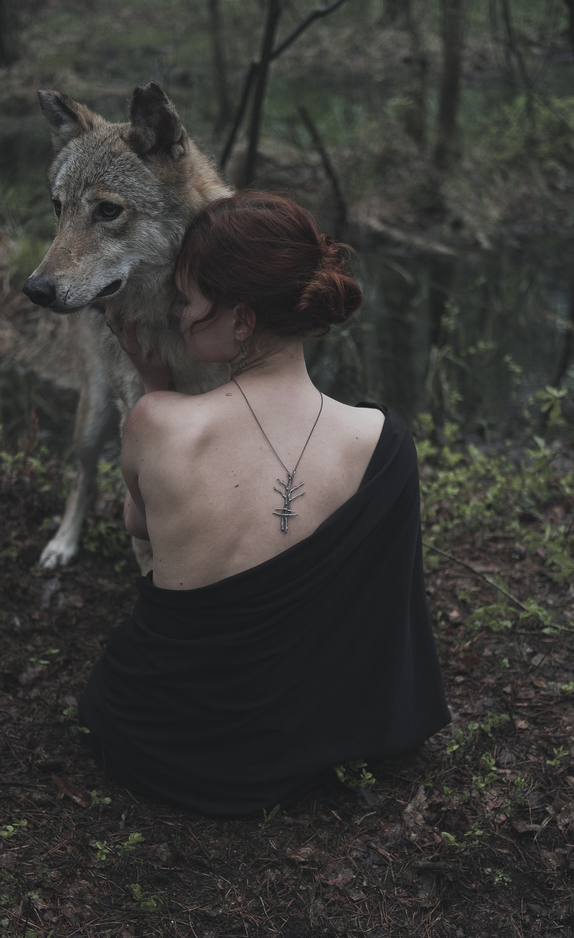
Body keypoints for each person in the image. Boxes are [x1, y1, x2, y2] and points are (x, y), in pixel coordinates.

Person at [78, 191, 450, 816]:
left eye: (187, 298)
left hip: (158, 737)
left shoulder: (157, 422)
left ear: (243, 319)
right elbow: (383, 624)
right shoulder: (383, 443)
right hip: (306, 739)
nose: (176, 313)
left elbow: (141, 524)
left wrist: (155, 387)